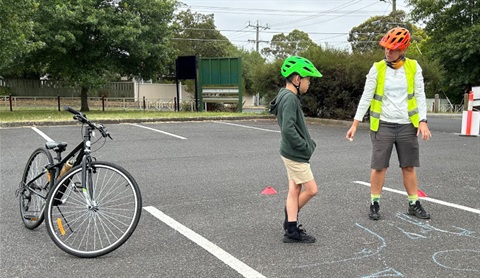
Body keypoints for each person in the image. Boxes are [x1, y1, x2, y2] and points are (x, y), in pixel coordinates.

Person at [346, 27, 432, 221]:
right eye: (386, 48)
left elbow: (420, 96)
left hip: (407, 125)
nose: (388, 52)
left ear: (403, 49)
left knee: (408, 166)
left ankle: (413, 203)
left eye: (392, 49)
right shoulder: (377, 68)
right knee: (379, 167)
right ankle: (375, 203)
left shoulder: (413, 67)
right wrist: (355, 123)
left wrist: (423, 121)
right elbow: (366, 97)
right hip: (382, 124)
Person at [269, 56, 322, 243]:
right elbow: (288, 129)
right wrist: (305, 147)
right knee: (312, 189)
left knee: (295, 189)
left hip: (290, 152)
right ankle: (291, 220)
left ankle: (291, 226)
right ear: (298, 79)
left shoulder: (285, 95)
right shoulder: (290, 98)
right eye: (308, 79)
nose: (309, 84)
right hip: (295, 154)